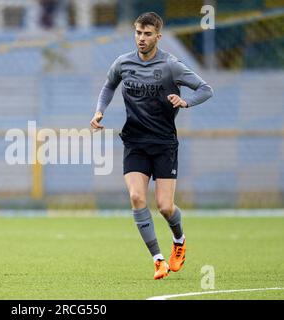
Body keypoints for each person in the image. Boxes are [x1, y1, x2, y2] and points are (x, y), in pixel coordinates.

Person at [90, 12, 213, 280]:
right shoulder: (123, 63)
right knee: (136, 197)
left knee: (165, 207)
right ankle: (158, 260)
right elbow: (109, 86)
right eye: (138, 33)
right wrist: (99, 111)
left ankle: (179, 240)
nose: (141, 39)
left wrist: (185, 102)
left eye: (147, 34)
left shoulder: (171, 66)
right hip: (135, 141)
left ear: (158, 36)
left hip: (164, 143)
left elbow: (205, 89)